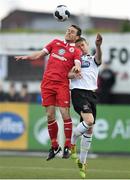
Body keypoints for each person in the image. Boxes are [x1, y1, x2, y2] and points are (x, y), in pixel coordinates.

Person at [15, 25, 82, 160]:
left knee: (64, 114)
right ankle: (55, 146)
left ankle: (67, 146)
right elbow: (39, 54)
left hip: (62, 85)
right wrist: (27, 57)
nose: (68, 32)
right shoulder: (55, 42)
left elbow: (77, 64)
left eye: (72, 32)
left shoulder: (76, 51)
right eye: (68, 30)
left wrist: (77, 68)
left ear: (77, 37)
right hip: (47, 84)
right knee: (50, 115)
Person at [68, 34, 102, 178]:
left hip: (92, 94)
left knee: (90, 128)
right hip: (78, 93)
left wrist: (99, 46)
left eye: (83, 45)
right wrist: (74, 74)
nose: (81, 48)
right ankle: (72, 141)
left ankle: (82, 162)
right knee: (88, 121)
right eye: (78, 47)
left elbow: (99, 59)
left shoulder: (93, 59)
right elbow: (67, 74)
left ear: (87, 45)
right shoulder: (75, 60)